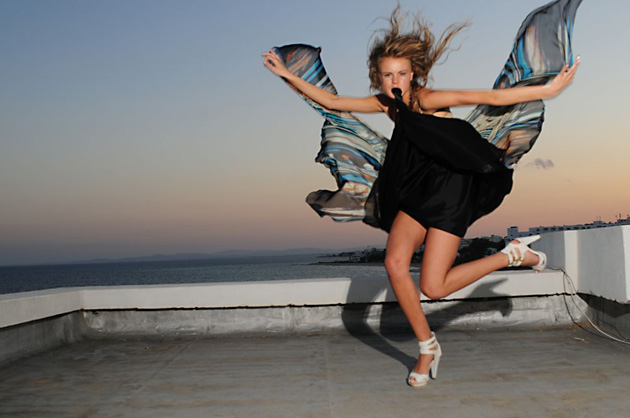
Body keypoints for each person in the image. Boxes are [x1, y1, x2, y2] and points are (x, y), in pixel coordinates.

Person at [262, 6, 578, 387]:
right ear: (378, 77)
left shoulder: (428, 99)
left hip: (451, 189)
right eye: (387, 75)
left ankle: (509, 255)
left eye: (401, 73)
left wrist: (549, 90)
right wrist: (287, 75)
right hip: (416, 188)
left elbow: (487, 96)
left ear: (413, 74)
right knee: (395, 263)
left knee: (433, 287)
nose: (395, 80)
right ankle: (427, 347)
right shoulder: (386, 103)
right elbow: (333, 103)